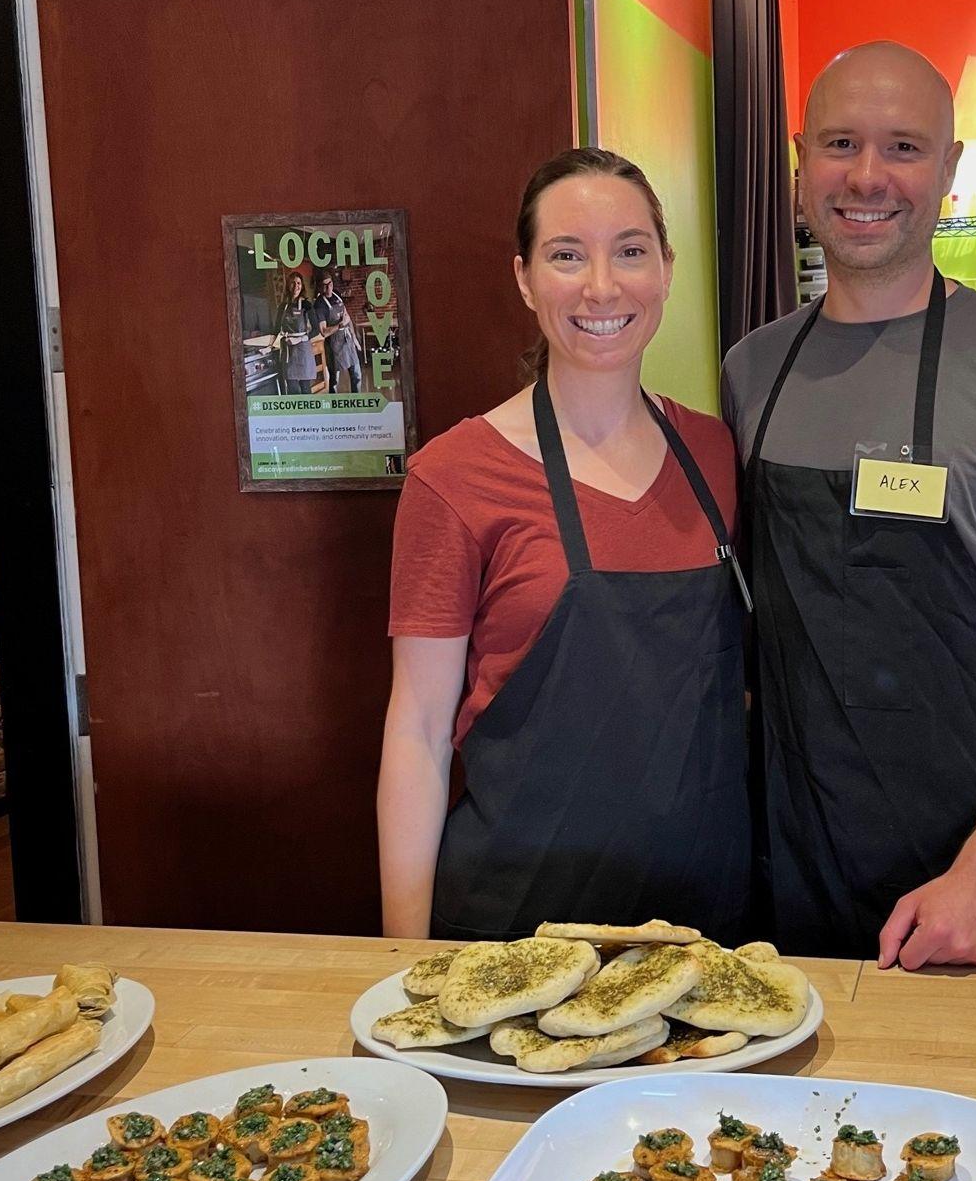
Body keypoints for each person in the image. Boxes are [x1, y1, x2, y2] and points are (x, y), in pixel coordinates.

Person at [721, 42, 976, 971]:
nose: (867, 176)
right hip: (778, 859)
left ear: (948, 168)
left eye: (903, 147)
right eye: (839, 144)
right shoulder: (751, 370)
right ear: (798, 162)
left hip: (963, 869)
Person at [379, 148, 751, 942]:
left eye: (629, 250)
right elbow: (415, 730)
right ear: (523, 278)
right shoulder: (454, 477)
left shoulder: (716, 453)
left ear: (665, 268)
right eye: (566, 255)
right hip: (515, 931)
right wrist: (402, 960)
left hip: (704, 928)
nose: (602, 286)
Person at [313, 270, 363, 393]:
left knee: (356, 375)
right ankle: (334, 404)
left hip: (348, 340)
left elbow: (347, 317)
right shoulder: (319, 305)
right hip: (334, 345)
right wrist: (340, 325)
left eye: (329, 283)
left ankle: (357, 402)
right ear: (320, 287)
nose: (328, 287)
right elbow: (324, 332)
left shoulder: (337, 294)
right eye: (324, 285)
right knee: (334, 380)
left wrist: (355, 339)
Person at [272, 271, 318, 394]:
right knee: (292, 389)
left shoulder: (306, 305)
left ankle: (308, 413)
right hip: (288, 352)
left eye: (298, 283)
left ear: (302, 285)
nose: (296, 286)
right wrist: (269, 345)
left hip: (303, 350)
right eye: (292, 283)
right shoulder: (283, 307)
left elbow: (316, 330)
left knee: (305, 388)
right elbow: (276, 330)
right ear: (288, 286)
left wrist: (300, 339)